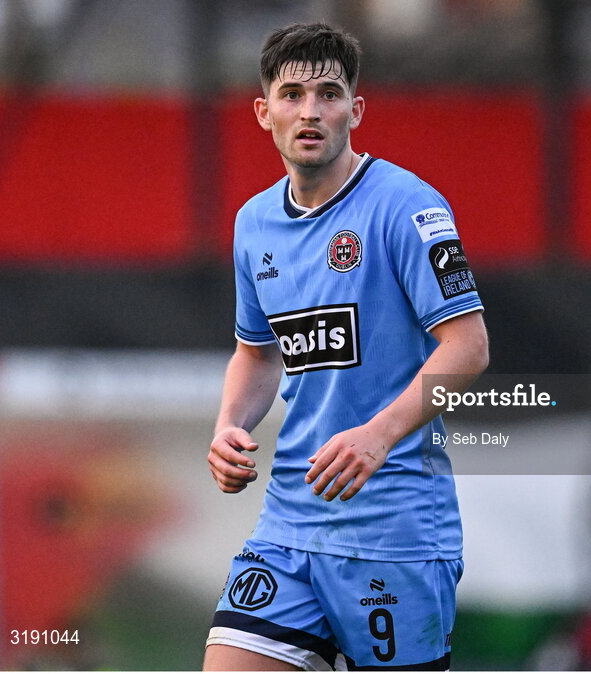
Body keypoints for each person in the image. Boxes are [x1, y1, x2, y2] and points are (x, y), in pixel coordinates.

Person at [202, 22, 488, 671]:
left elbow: (468, 347)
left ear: (355, 110)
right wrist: (228, 425)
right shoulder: (254, 224)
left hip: (396, 537)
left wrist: (378, 434)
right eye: (293, 94)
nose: (310, 110)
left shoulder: (409, 209)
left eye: (328, 93)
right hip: (289, 529)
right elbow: (257, 352)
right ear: (263, 111)